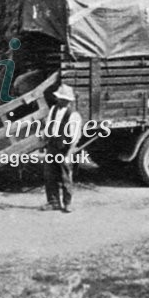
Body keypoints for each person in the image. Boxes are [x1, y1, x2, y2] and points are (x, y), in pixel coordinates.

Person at [40, 83, 82, 213]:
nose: (59, 100)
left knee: (65, 176)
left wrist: (69, 154)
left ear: (67, 100)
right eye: (59, 98)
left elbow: (75, 138)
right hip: (52, 146)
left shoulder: (73, 115)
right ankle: (53, 202)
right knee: (49, 175)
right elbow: (49, 127)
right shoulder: (53, 110)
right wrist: (44, 136)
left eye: (62, 99)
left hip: (64, 148)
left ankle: (67, 203)